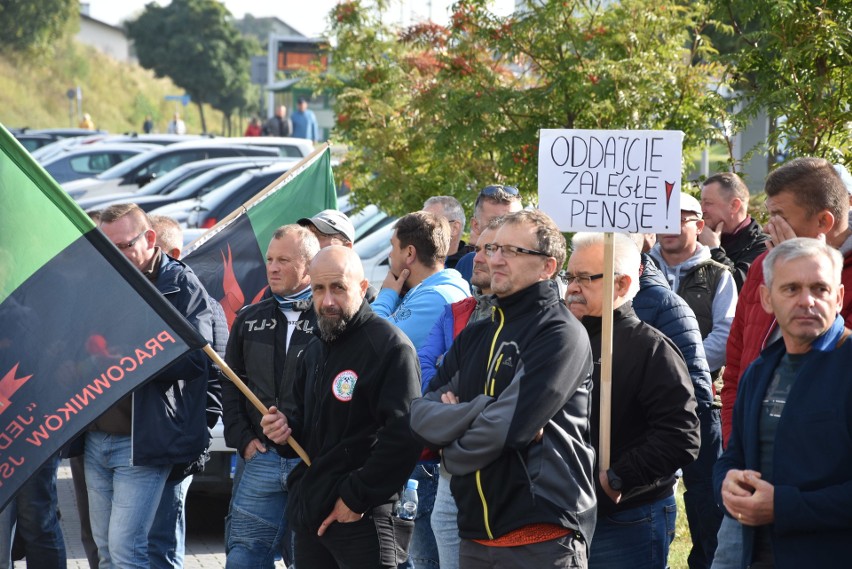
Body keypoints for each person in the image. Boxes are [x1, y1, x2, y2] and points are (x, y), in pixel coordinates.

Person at [410, 209, 596, 568]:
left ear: (548, 267)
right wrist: (481, 409)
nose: (494, 259)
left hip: (541, 536)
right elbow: (420, 415)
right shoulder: (478, 332)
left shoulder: (559, 333)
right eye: (493, 248)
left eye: (511, 251)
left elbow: (509, 430)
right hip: (475, 536)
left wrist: (451, 445)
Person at [713, 157, 852, 569]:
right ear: (768, 297)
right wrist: (728, 482)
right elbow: (736, 372)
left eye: (818, 288)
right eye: (790, 288)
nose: (805, 301)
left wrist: (784, 506)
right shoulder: (763, 369)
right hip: (752, 544)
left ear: (838, 295)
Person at [260, 246, 423, 568]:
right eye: (319, 289)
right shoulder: (315, 350)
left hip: (364, 517)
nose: (327, 301)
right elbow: (305, 426)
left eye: (338, 287)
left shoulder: (390, 347)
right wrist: (281, 432)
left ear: (362, 288)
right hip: (313, 512)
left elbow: (404, 437)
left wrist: (355, 498)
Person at [88, 204, 213, 567]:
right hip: (97, 436)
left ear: (150, 239)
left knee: (128, 550)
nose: (118, 256)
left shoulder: (180, 283)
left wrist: (130, 360)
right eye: (109, 248)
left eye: (126, 246)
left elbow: (198, 359)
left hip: (143, 440)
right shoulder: (101, 281)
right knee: (106, 553)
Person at [565, 232, 700, 569]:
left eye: (584, 278)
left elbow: (681, 436)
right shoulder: (560, 341)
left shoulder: (651, 348)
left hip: (624, 519)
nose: (572, 287)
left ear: (622, 284)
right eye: (569, 276)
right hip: (561, 515)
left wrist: (618, 476)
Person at [371, 211, 468, 568]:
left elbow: (373, 341)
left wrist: (386, 296)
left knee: (423, 558)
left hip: (423, 452)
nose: (391, 259)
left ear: (409, 255)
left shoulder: (436, 296)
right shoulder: (433, 290)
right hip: (420, 438)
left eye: (393, 249)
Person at [222, 225, 320, 568]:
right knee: (242, 557)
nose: (273, 267)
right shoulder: (249, 318)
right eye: (269, 260)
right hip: (261, 458)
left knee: (307, 559)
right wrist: (244, 440)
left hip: (312, 462)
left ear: (308, 265)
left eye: (283, 260)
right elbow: (231, 384)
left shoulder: (331, 320)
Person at [630, 233, 723, 569]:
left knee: (704, 515)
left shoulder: (664, 303)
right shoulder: (579, 306)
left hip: (646, 478)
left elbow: (694, 391)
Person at [416, 219, 501, 569]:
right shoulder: (459, 312)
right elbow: (426, 382)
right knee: (442, 532)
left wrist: (458, 409)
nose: (475, 257)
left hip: (500, 471)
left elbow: (509, 404)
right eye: (477, 248)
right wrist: (459, 407)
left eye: (487, 249)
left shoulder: (533, 323)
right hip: (450, 461)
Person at [148, 215, 226, 569]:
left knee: (162, 541)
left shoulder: (202, 305)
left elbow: (215, 378)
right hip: (149, 444)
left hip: (177, 445)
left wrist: (197, 435)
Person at [649, 192, 738, 378]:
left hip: (697, 386)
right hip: (641, 384)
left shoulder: (719, 275)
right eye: (663, 218)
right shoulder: (638, 269)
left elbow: (725, 335)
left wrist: (682, 366)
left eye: (679, 220)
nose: (668, 226)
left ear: (699, 226)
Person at [372, 211, 470, 350]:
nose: (390, 254)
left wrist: (387, 293)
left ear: (410, 253)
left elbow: (372, 338)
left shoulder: (435, 298)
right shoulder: (436, 289)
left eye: (393, 246)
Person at [699, 172, 770, 291]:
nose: (701, 210)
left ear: (734, 205)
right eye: (701, 202)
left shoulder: (764, 246)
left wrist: (714, 251)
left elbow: (739, 287)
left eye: (708, 203)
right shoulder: (698, 237)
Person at [454, 185, 523, 282]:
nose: (504, 229)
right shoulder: (467, 264)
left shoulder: (531, 264)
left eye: (512, 221)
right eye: (495, 222)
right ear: (476, 225)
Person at [423, 196, 467, 269]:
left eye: (429, 223)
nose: (421, 229)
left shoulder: (473, 266)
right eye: (420, 223)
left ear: (454, 228)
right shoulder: (411, 261)